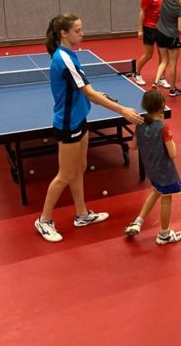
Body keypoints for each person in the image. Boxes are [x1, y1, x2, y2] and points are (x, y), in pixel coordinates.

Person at [35, 13, 144, 243]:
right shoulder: (62, 59)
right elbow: (89, 93)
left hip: (79, 118)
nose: (82, 34)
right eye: (77, 31)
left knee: (80, 167)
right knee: (65, 175)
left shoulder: (70, 54)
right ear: (64, 33)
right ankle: (44, 220)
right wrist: (122, 110)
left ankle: (82, 214)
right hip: (68, 123)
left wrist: (95, 94)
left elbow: (82, 87)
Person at [123, 89, 181, 245]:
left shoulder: (140, 125)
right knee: (166, 199)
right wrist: (172, 141)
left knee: (156, 191)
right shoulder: (164, 128)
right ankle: (164, 234)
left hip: (151, 169)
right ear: (163, 106)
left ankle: (138, 222)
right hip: (165, 172)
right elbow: (173, 154)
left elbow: (133, 146)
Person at [133, 0, 165, 86]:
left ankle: (161, 78)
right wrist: (140, 30)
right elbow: (142, 12)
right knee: (148, 55)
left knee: (163, 55)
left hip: (161, 28)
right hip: (149, 28)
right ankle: (136, 73)